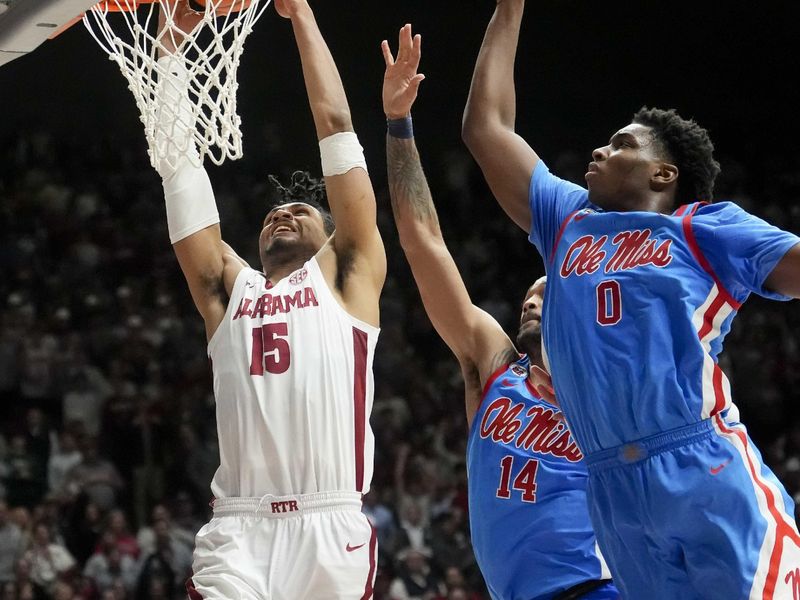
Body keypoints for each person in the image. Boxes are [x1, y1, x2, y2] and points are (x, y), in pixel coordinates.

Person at [461, 1, 800, 597]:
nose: (599, 150)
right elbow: (486, 128)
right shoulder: (568, 218)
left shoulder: (704, 227)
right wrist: (510, 8)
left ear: (663, 174)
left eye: (620, 144)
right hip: (612, 492)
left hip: (699, 462)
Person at [150, 0, 385, 597]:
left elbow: (335, 124)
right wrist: (169, 55)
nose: (281, 212)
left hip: (328, 522)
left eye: (299, 209)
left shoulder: (347, 276)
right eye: (273, 211)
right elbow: (179, 172)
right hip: (239, 529)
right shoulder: (229, 289)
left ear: (332, 234)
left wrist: (301, 15)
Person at [382, 25, 617, 599]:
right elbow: (423, 242)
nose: (531, 301)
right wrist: (398, 126)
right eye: (526, 298)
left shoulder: (609, 387)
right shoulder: (495, 367)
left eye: (546, 293)